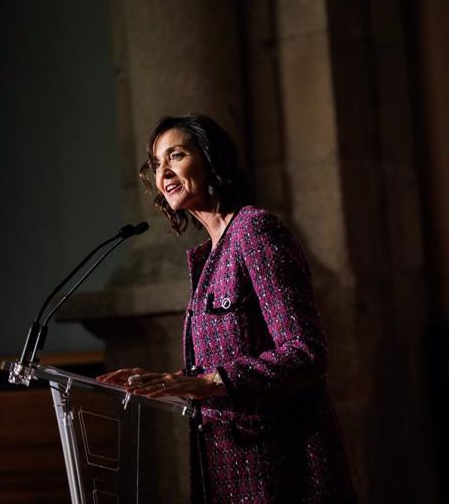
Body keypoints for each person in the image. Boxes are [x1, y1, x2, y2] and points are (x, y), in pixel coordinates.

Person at [98, 114, 355, 503]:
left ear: (211, 158)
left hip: (281, 469)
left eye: (176, 155)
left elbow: (305, 352)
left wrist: (206, 383)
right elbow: (227, 360)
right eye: (155, 164)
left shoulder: (255, 231)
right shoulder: (209, 257)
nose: (163, 173)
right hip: (229, 470)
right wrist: (167, 381)